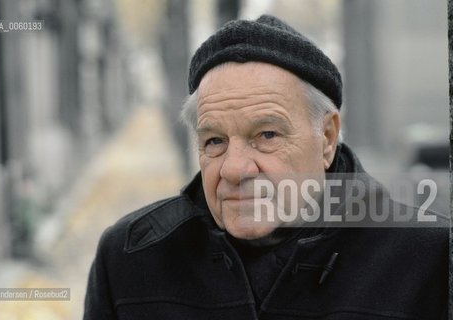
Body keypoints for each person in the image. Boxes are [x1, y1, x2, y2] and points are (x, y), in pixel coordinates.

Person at [83, 15, 448, 319]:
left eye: (267, 135)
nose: (235, 170)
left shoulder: (429, 259)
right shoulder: (130, 259)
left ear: (327, 136)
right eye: (215, 141)